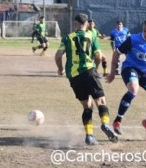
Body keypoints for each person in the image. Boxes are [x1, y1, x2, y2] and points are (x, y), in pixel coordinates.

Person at [55, 13, 118, 145]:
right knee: (100, 101)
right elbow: (99, 56)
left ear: (75, 24)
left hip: (74, 76)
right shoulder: (92, 35)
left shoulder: (67, 38)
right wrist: (95, 68)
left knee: (87, 106)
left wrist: (60, 69)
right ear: (86, 24)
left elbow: (58, 55)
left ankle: (89, 135)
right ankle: (105, 124)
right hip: (89, 71)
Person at [106, 19, 146, 140]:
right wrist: (113, 73)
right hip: (130, 68)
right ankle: (117, 121)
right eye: (144, 31)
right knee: (134, 89)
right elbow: (117, 52)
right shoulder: (133, 40)